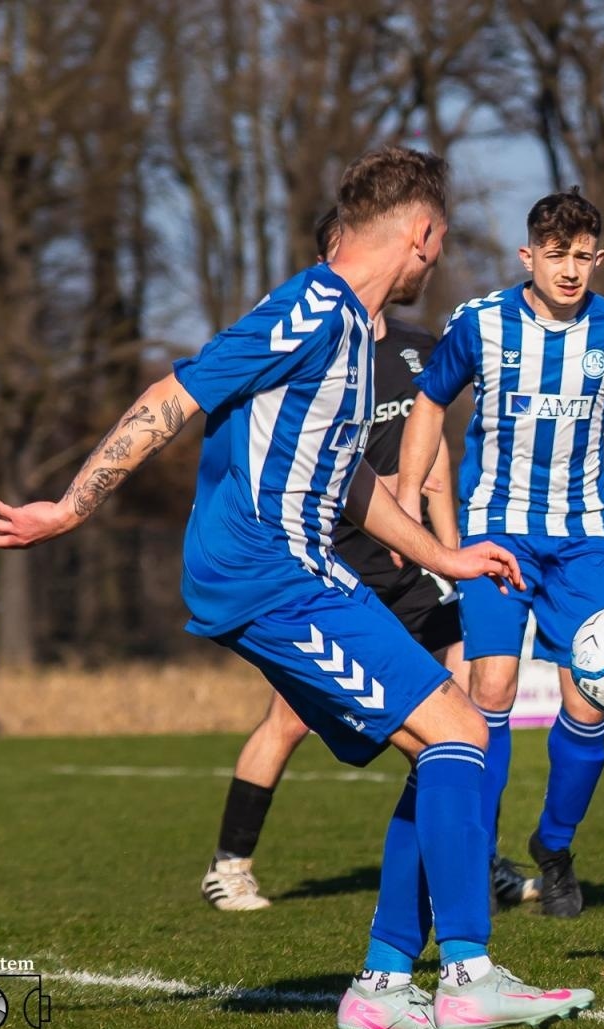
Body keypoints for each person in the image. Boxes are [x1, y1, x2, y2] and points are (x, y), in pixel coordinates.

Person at [0, 146, 592, 1029]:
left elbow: (354, 484)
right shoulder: (310, 309)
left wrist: (444, 560)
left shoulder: (352, 334)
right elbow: (173, 394)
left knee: (438, 742)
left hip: (305, 571)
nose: (437, 260)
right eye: (440, 242)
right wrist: (71, 506)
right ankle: (468, 973)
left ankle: (384, 983)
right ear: (419, 233)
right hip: (268, 571)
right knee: (459, 729)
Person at [200, 207, 540, 915]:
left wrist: (446, 553)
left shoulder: (417, 347)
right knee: (290, 720)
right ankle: (231, 863)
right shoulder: (311, 332)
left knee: (459, 719)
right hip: (328, 561)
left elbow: (437, 452)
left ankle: (472, 867)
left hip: (410, 561)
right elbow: (221, 420)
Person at [398, 188, 604, 919]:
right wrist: (405, 498)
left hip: (582, 539)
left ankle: (554, 846)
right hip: (497, 532)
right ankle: (476, 859)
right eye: (556, 256)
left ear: (599, 258)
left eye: (583, 257)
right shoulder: (481, 325)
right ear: (529, 257)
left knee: (589, 700)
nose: (571, 270)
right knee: (490, 688)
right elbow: (429, 403)